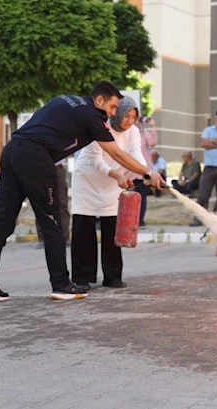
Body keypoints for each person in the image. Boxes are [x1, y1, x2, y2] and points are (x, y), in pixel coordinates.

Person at [0, 81, 162, 302]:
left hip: (12, 150)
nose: (112, 113)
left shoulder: (64, 99)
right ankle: (61, 284)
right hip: (36, 158)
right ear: (99, 101)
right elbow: (117, 154)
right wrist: (148, 173)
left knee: (1, 222)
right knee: (52, 223)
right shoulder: (93, 117)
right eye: (111, 107)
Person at [71, 97, 146, 291]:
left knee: (112, 228)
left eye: (133, 117)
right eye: (127, 116)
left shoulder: (134, 132)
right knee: (84, 229)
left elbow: (135, 155)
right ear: (118, 113)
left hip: (113, 183)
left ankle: (112, 276)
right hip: (87, 180)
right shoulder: (100, 127)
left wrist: (146, 173)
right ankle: (82, 277)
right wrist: (115, 174)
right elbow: (94, 160)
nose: (130, 121)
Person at [125, 115, 157, 227]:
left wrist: (153, 126)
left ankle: (140, 220)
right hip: (129, 171)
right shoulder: (126, 134)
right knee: (128, 197)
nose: (138, 122)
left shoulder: (144, 134)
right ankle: (129, 220)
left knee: (142, 197)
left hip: (143, 172)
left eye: (139, 119)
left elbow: (153, 143)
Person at [35, 159, 70, 249]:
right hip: (40, 168)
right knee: (41, 203)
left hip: (57, 167)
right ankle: (43, 238)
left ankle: (64, 237)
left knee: (62, 202)